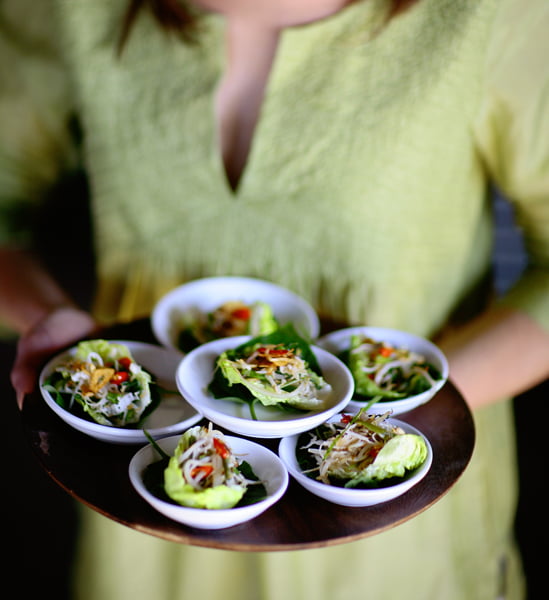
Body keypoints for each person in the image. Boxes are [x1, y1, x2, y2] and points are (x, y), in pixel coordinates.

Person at [1, 0, 549, 598]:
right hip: (155, 502)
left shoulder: (492, 13)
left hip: (392, 527)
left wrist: (397, 415)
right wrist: (50, 321)